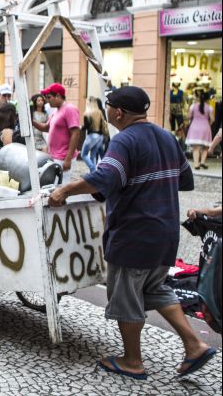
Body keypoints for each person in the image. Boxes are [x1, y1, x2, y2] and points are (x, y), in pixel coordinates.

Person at [48, 86, 216, 379]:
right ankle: (195, 344)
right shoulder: (166, 136)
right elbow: (185, 179)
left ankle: (132, 361)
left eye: (109, 106)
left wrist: (66, 189)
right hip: (165, 233)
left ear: (119, 112)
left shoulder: (124, 140)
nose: (107, 110)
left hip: (134, 234)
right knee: (156, 288)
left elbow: (106, 178)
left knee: (125, 296)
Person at [32, 83, 80, 184]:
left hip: (63, 157)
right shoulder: (56, 111)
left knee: (62, 189)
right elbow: (46, 127)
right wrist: (31, 121)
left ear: (58, 95)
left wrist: (68, 159)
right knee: (55, 188)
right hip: (55, 156)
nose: (47, 100)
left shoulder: (69, 109)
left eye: (49, 97)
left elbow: (75, 133)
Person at [186, 88, 212, 169]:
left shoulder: (193, 106)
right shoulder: (209, 107)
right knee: (206, 147)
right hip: (205, 127)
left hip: (194, 127)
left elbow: (188, 116)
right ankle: (203, 162)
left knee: (195, 148)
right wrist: (208, 124)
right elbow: (213, 119)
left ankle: (196, 164)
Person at [80, 96, 107, 172]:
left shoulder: (87, 113)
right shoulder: (100, 112)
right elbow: (103, 124)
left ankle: (92, 169)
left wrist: (80, 127)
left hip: (92, 136)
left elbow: (86, 126)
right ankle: (93, 174)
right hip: (99, 136)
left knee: (83, 154)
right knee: (93, 155)